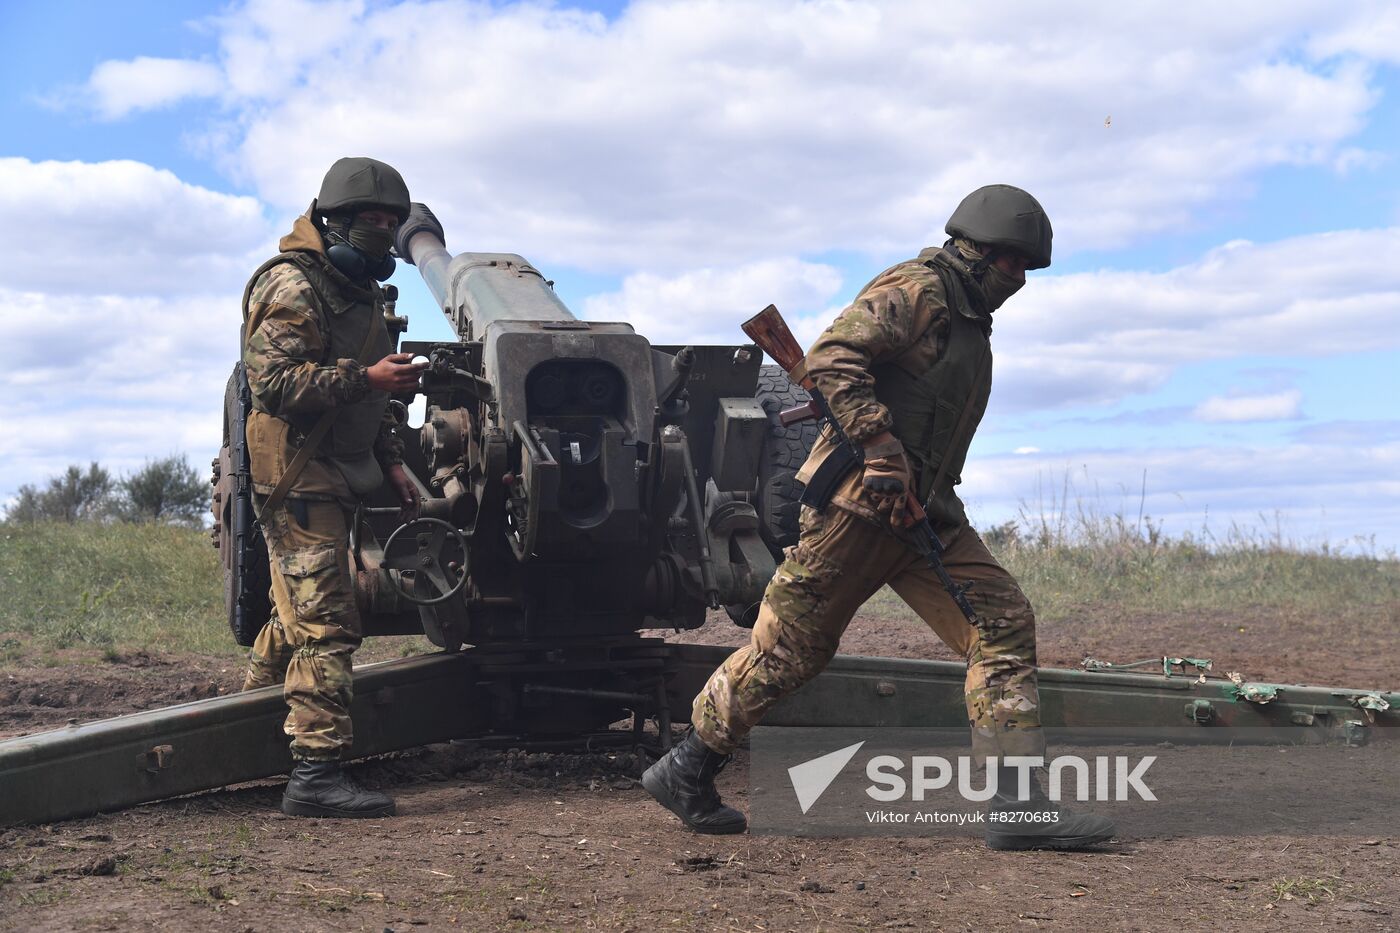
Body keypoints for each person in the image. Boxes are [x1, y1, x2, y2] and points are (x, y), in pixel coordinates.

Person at [642, 185, 1115, 850]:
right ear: (977, 250)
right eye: (1012, 264)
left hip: (927, 517)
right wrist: (877, 439)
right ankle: (688, 767)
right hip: (856, 511)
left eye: (1026, 270)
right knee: (789, 654)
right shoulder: (918, 290)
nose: (1020, 280)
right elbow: (835, 355)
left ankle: (1018, 805)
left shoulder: (971, 321)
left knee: (1002, 621)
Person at [240, 157, 426, 818]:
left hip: (334, 472)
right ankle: (315, 773)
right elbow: (274, 385)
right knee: (327, 621)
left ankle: (244, 724)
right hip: (296, 473)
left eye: (390, 222)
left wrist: (394, 460)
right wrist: (367, 379)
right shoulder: (292, 285)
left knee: (294, 609)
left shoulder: (360, 294)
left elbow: (374, 398)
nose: (381, 231)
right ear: (335, 222)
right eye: (371, 220)